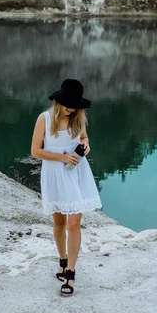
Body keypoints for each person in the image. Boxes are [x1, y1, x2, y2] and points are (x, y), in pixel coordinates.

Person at [30, 78, 102, 296]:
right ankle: (62, 259)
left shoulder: (78, 118)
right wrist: (61, 158)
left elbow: (84, 137)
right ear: (59, 100)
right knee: (59, 224)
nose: (71, 108)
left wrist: (85, 144)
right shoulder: (44, 118)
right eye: (68, 104)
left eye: (75, 105)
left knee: (74, 223)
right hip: (55, 173)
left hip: (77, 172)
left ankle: (70, 272)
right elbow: (35, 151)